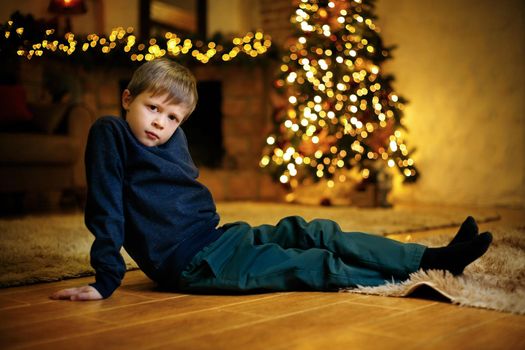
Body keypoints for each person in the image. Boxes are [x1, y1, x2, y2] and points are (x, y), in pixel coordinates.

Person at [50, 59, 493, 301]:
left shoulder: (174, 138)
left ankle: (433, 256)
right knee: (311, 264)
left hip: (220, 237)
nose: (160, 123)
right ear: (128, 98)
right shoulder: (110, 133)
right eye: (151, 107)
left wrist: (220, 231)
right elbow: (106, 208)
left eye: (172, 116)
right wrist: (105, 278)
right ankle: (413, 279)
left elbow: (182, 192)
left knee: (312, 230)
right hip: (192, 264)